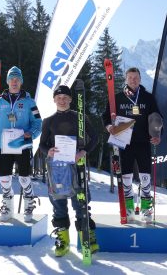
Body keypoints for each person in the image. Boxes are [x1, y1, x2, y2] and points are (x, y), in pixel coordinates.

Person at [39, 85, 99, 257]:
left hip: (76, 165)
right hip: (56, 168)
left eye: (65, 97)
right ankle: (63, 240)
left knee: (80, 202)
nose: (62, 100)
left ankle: (87, 237)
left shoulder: (80, 118)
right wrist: (47, 151)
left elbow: (94, 138)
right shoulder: (48, 121)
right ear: (54, 100)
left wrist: (83, 151)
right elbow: (42, 144)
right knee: (58, 204)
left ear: (71, 99)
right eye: (59, 98)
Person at [102, 67, 161, 224]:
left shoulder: (148, 98)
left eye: (136, 77)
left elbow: (157, 117)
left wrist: (156, 134)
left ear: (140, 79)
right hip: (124, 143)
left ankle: (146, 209)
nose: (133, 80)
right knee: (126, 177)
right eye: (130, 77)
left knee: (145, 177)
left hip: (143, 141)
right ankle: (128, 208)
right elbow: (106, 117)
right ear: (126, 79)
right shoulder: (117, 98)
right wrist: (110, 128)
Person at [0, 66, 42, 222]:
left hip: (22, 144)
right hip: (4, 145)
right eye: (11, 79)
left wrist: (32, 133)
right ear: (7, 81)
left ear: (21, 82)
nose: (14, 82)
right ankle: (7, 204)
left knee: (24, 177)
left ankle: (29, 200)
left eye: (17, 79)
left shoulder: (29, 102)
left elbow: (38, 123)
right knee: (4, 178)